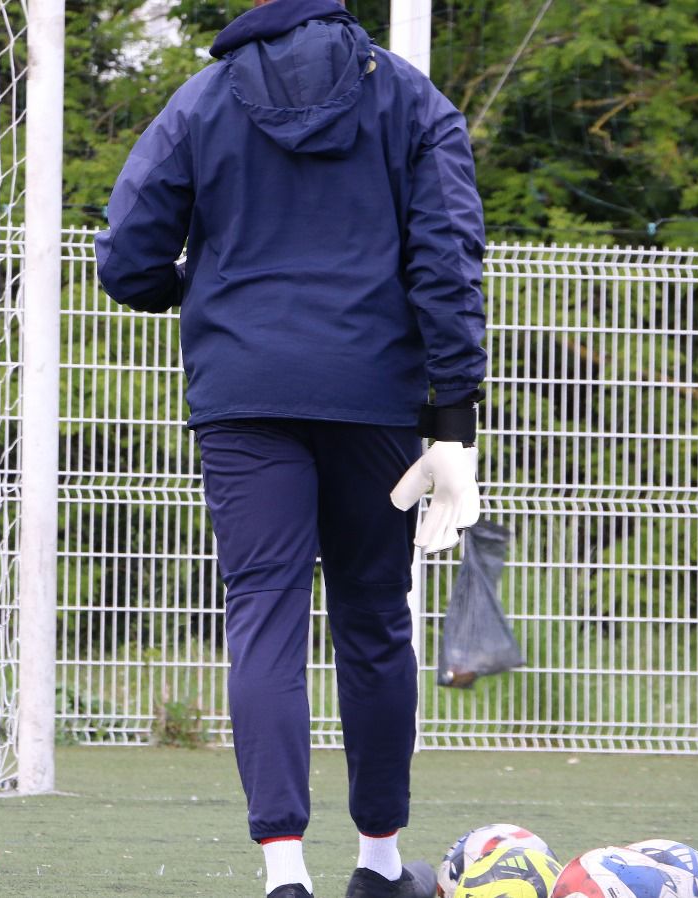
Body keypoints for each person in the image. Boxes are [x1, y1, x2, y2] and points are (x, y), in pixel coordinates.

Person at [95, 0, 486, 896]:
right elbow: (447, 260)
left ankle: (283, 875)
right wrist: (454, 417)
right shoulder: (413, 101)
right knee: (375, 621)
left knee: (264, 616)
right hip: (374, 395)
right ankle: (379, 865)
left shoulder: (200, 100)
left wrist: (209, 287)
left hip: (244, 393)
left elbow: (126, 262)